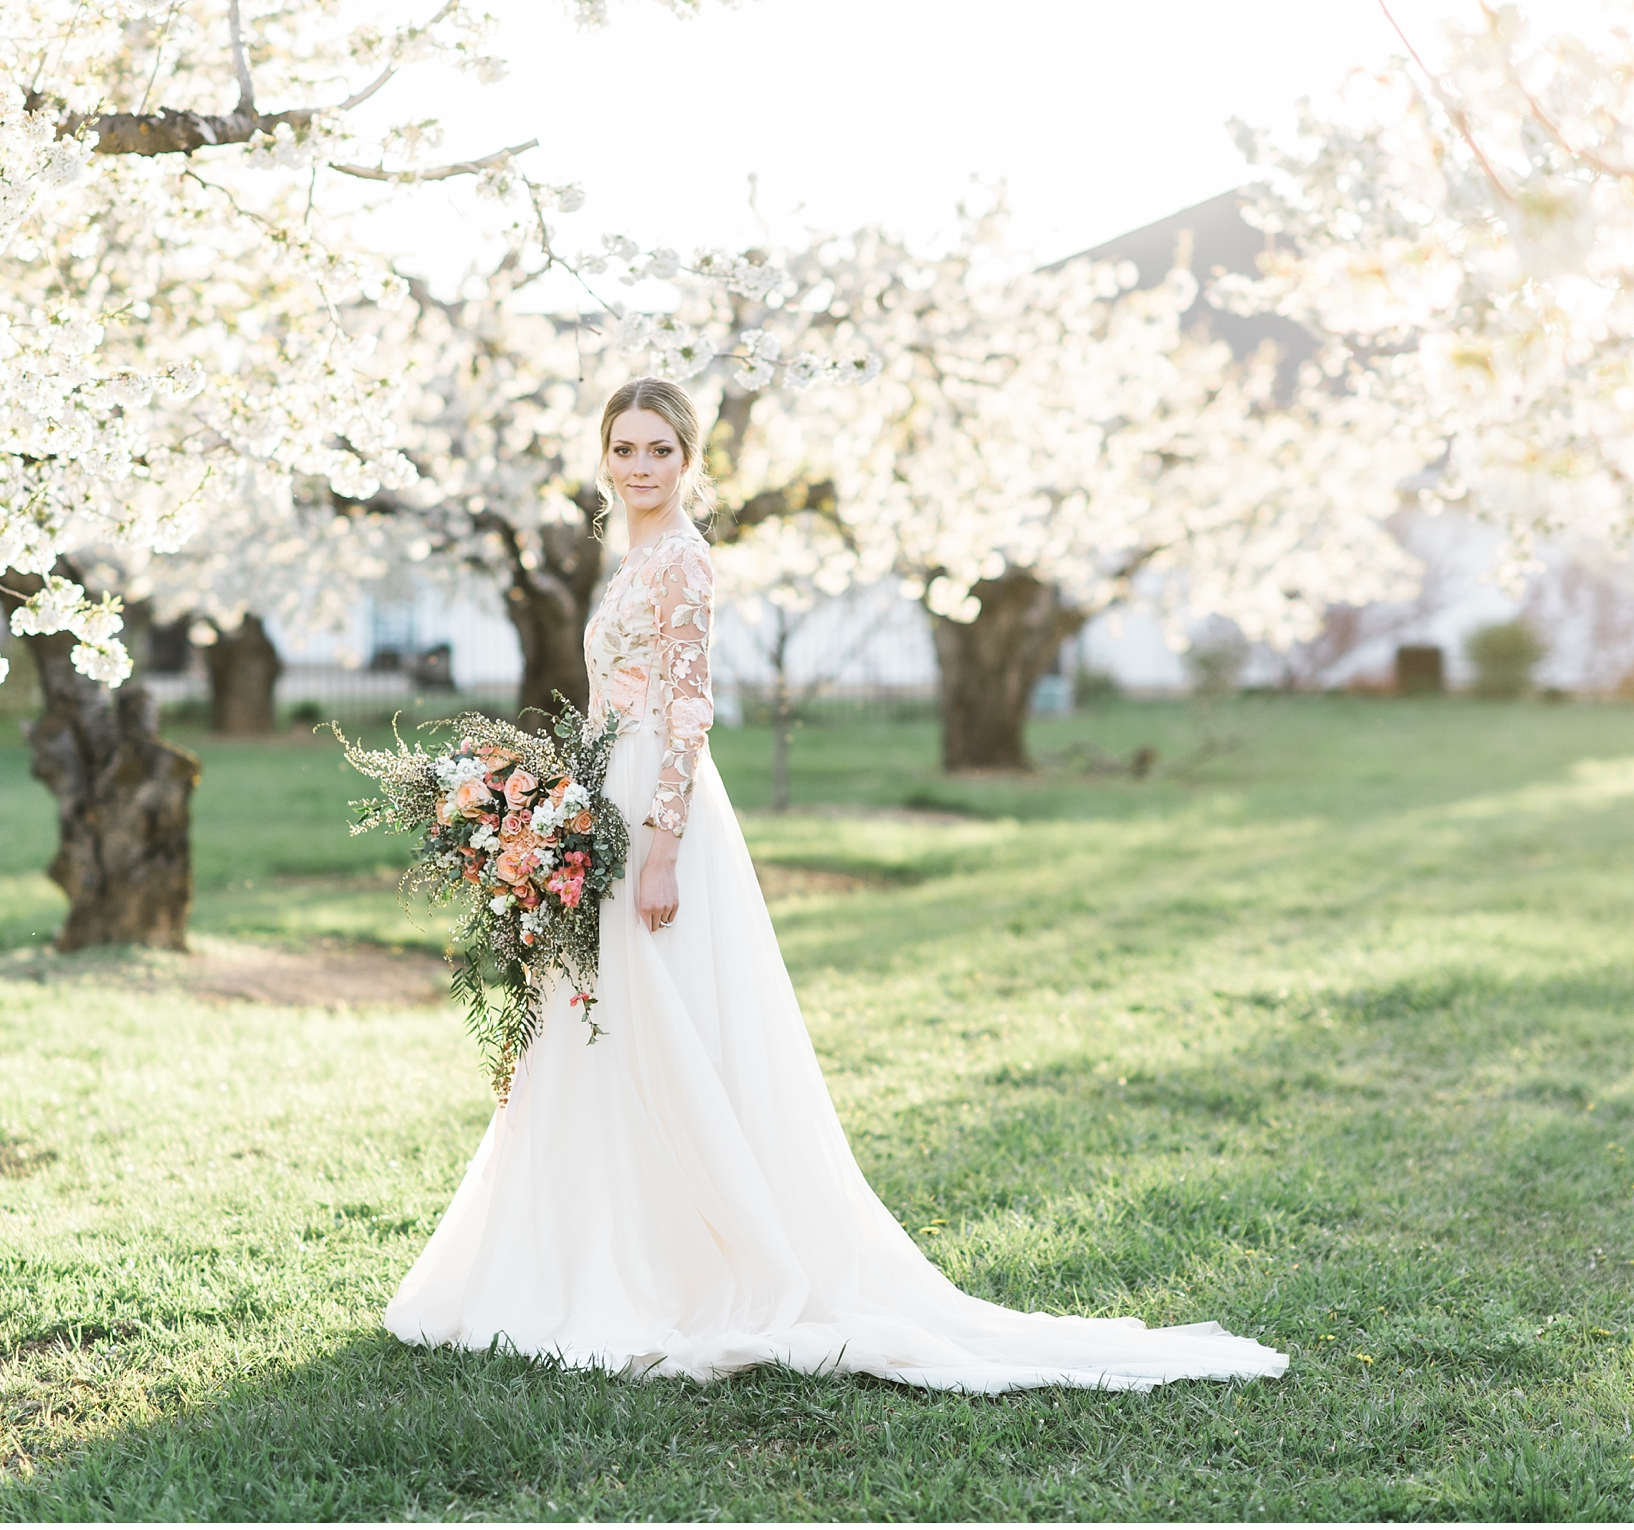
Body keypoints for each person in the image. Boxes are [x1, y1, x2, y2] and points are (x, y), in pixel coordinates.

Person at [384, 376, 1288, 1392]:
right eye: (625, 449)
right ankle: (598, 1243)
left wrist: (665, 846)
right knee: (597, 1018)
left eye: (659, 451)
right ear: (605, 457)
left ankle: (684, 1257)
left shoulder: (682, 557)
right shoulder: (629, 552)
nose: (640, 466)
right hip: (603, 792)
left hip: (657, 804)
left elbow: (688, 709)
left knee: (662, 1011)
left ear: (690, 462)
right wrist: (551, 796)